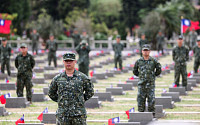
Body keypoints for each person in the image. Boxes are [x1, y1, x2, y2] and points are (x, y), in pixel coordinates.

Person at [48, 52, 94, 125]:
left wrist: (80, 100)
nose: (68, 63)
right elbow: (51, 93)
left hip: (78, 114)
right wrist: (61, 101)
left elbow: (90, 92)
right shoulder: (58, 78)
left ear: (75, 62)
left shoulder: (83, 77)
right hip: (63, 114)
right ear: (63, 62)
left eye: (71, 61)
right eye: (66, 61)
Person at [133, 44, 162, 115]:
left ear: (149, 51)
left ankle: (152, 116)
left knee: (151, 101)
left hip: (150, 85)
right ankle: (141, 115)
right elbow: (135, 71)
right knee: (140, 100)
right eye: (144, 50)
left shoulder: (153, 60)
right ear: (142, 51)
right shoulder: (139, 61)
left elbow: (159, 69)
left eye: (147, 50)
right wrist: (140, 76)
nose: (145, 52)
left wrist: (153, 75)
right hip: (141, 84)